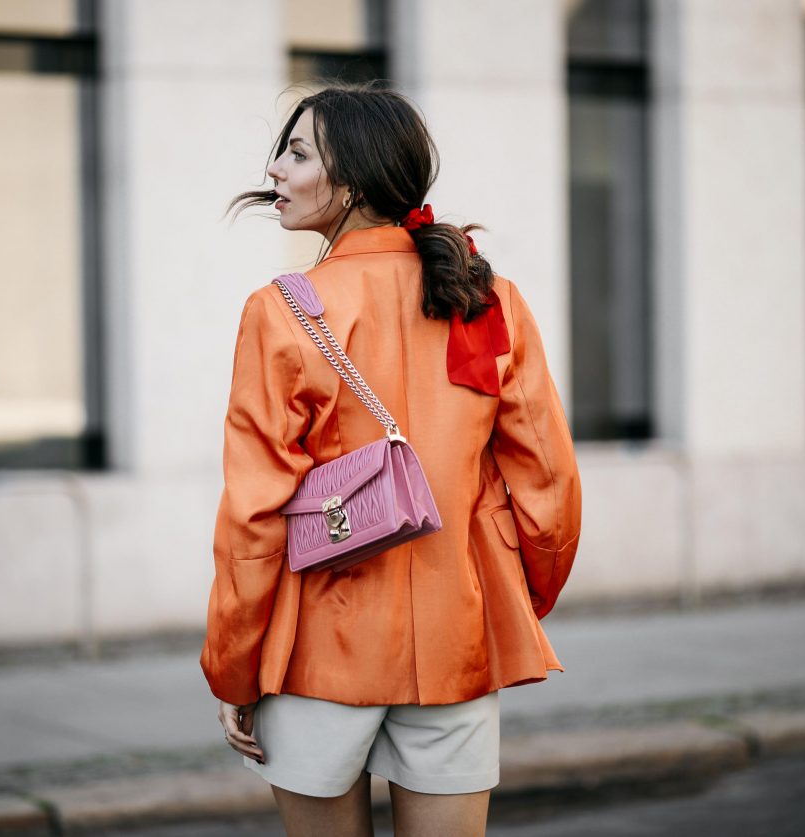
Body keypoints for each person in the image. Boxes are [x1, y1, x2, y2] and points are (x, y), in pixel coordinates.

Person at [200, 86, 582, 837]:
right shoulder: (484, 296)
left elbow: (253, 518)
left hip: (317, 653)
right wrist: (507, 598)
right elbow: (548, 486)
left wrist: (234, 667)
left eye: (298, 151)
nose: (275, 167)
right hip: (456, 643)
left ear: (354, 178)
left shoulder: (281, 311)